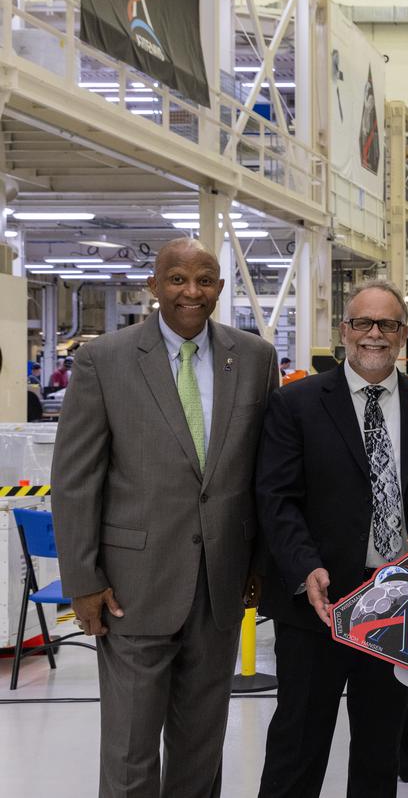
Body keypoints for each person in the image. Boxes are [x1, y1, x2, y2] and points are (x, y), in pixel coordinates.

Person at [50, 237, 278, 796]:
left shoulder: (254, 358)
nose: (191, 292)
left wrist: (258, 563)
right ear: (153, 286)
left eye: (204, 280)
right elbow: (76, 480)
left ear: (219, 288)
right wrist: (82, 581)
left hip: (220, 585)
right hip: (131, 589)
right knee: (130, 749)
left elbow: (263, 472)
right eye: (177, 279)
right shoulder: (105, 360)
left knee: (201, 748)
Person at [255, 279, 408, 798]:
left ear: (403, 334)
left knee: (378, 749)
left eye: (387, 324)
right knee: (297, 747)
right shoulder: (296, 403)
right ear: (344, 330)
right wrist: (305, 567)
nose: (375, 334)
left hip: (395, 601)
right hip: (318, 604)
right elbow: (276, 498)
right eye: (363, 323)